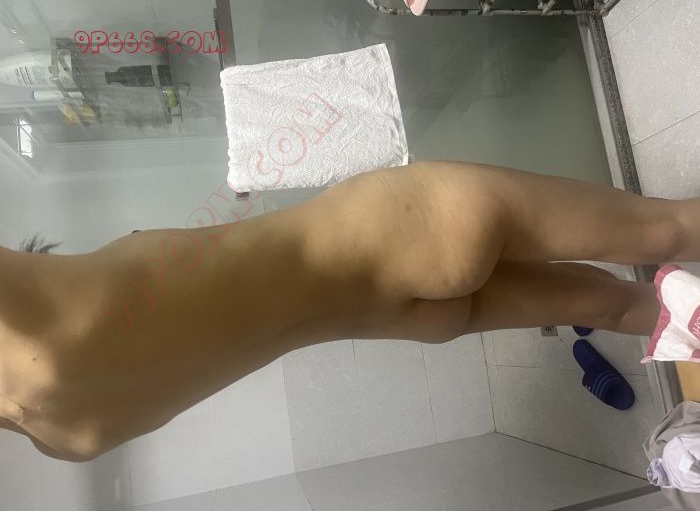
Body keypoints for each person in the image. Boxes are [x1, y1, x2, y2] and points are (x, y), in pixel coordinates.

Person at [0, 160, 695, 462]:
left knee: (614, 305)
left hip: (402, 320)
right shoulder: (26, 320)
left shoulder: (67, 441)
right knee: (665, 229)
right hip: (409, 227)